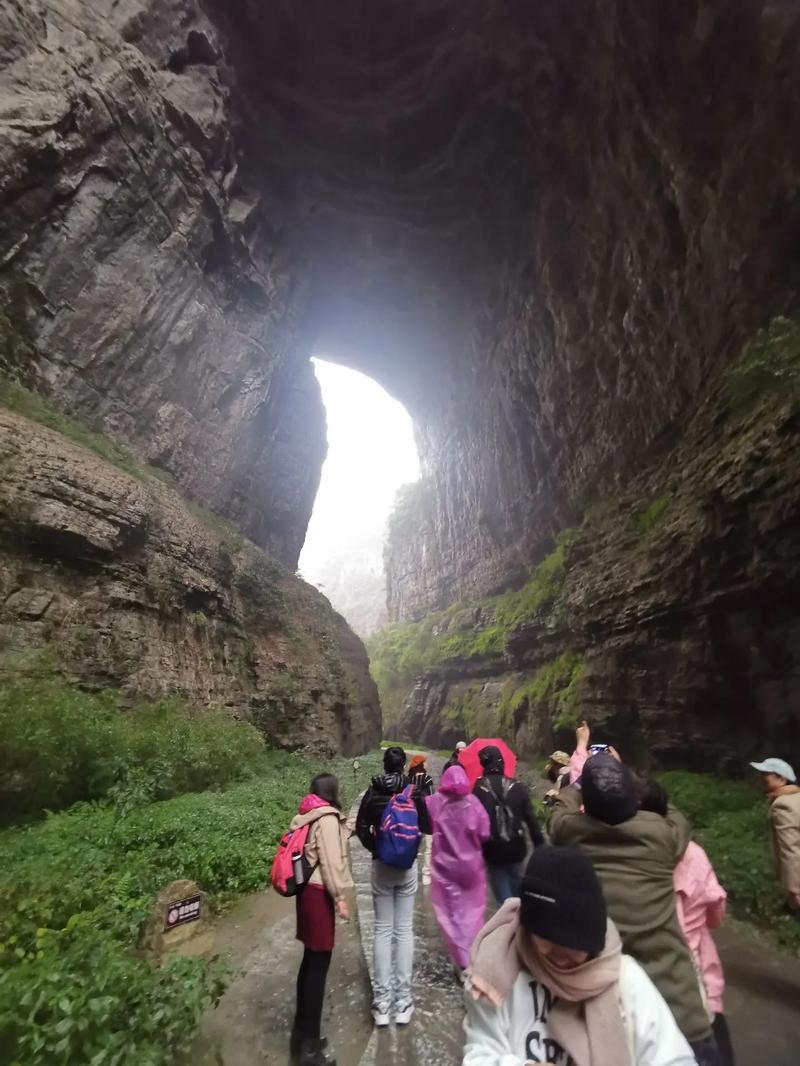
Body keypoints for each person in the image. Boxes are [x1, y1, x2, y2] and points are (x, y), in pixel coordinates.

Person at [550, 728, 717, 1063]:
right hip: (676, 1006)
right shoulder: (661, 836)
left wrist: (583, 783)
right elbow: (677, 816)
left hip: (602, 1017)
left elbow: (558, 809)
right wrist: (625, 776)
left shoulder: (571, 833)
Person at [463, 846, 697, 1066]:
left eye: (573, 944)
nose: (561, 953)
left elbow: (674, 1059)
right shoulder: (496, 976)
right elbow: (479, 1052)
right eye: (547, 939)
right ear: (529, 928)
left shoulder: (626, 980)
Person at [639, 778, 734, 1066]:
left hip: (644, 982)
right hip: (695, 978)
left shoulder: (621, 857)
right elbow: (716, 915)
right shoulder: (693, 854)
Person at [355, 745, 430, 1027]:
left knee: (383, 930)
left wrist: (378, 848)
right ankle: (403, 1002)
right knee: (404, 929)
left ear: (384, 765)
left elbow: (361, 828)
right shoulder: (414, 790)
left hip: (381, 866)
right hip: (407, 867)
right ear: (403, 767)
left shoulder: (372, 791)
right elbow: (427, 825)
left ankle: (382, 1004)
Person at [290, 773, 352, 1066]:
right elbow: (330, 862)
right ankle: (310, 1051)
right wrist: (340, 898)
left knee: (310, 963)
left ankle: (300, 1037)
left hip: (306, 893)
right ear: (333, 791)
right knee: (318, 969)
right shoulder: (326, 819)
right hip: (319, 894)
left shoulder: (308, 814)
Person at [425, 764, 490, 975]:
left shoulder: (434, 802)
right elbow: (485, 833)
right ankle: (475, 952)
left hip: (445, 869)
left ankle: (462, 960)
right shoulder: (474, 804)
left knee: (451, 914)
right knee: (473, 911)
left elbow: (424, 821)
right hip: (471, 867)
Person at [473, 744, 545, 904]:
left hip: (493, 850)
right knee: (519, 893)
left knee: (505, 902)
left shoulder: (478, 788)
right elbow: (531, 820)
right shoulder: (517, 786)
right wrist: (540, 846)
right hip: (517, 848)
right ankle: (522, 923)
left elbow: (473, 823)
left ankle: (510, 924)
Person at [749, 756, 800, 911]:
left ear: (782, 779)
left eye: (766, 774)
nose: (761, 778)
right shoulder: (796, 797)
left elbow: (791, 848)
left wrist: (794, 889)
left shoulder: (782, 805)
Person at [408, 754, 435, 886]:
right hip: (427, 815)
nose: (427, 765)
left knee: (413, 845)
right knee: (429, 846)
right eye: (425, 762)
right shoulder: (428, 779)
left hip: (412, 815)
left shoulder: (408, 779)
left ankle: (411, 872)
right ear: (421, 764)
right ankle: (426, 874)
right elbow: (431, 797)